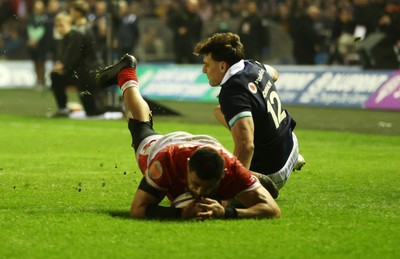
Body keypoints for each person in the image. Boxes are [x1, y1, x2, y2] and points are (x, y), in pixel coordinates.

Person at [96, 54, 281, 220]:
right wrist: (179, 213)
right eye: (196, 184)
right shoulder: (165, 163)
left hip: (208, 145)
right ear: (187, 166)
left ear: (223, 174)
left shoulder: (230, 167)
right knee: (139, 126)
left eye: (207, 187)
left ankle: (243, 185)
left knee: (232, 195)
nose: (200, 192)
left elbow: (273, 210)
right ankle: (126, 73)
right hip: (162, 147)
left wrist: (227, 213)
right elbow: (138, 209)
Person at [193, 32, 305, 194]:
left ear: (223, 66)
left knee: (205, 185)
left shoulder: (232, 92)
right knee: (219, 111)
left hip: (271, 172)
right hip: (292, 145)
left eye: (207, 65)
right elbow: (274, 73)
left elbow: (246, 146)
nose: (204, 70)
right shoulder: (251, 65)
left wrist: (233, 188)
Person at [49, 12, 103, 118]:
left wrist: (63, 69)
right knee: (55, 76)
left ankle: (117, 110)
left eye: (61, 25)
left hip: (85, 74)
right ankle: (62, 109)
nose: (59, 29)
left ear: (69, 24)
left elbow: (75, 57)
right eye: (57, 26)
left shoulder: (76, 36)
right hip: (76, 73)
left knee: (93, 111)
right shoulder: (65, 38)